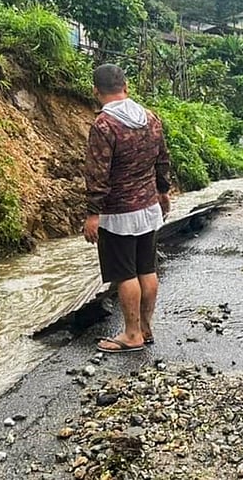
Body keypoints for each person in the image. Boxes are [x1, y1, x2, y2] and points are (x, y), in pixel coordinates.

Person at [83, 63, 171, 353]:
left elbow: (98, 173)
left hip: (118, 214)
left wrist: (93, 213)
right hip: (148, 207)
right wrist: (163, 191)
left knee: (125, 274)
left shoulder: (104, 125)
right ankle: (146, 328)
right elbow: (162, 159)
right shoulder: (151, 118)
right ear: (126, 87)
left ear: (96, 91)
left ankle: (132, 334)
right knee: (147, 268)